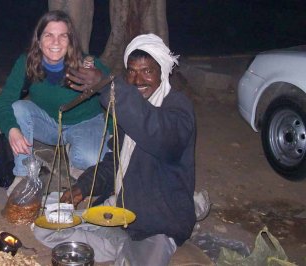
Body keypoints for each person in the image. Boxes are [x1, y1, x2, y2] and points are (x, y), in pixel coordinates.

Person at [34, 33, 197, 266]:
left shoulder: (177, 109)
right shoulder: (131, 110)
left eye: (147, 71)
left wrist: (110, 86)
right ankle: (123, 248)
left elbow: (158, 136)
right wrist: (82, 187)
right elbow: (116, 163)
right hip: (120, 214)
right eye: (131, 71)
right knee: (47, 228)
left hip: (156, 225)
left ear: (162, 72)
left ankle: (130, 251)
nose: (137, 79)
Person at [0, 10, 110, 195]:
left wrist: (112, 137)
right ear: (38, 41)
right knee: (18, 108)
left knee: (90, 159)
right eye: (49, 35)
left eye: (63, 36)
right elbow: (3, 102)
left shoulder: (89, 65)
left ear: (71, 40)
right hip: (50, 124)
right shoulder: (27, 63)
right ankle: (24, 174)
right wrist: (11, 130)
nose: (56, 42)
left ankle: (76, 152)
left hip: (85, 123)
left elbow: (114, 100)